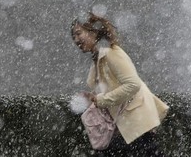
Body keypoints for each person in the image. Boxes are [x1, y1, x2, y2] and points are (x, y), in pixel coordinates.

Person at [72, 13, 170, 155]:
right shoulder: (98, 61)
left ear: (92, 31)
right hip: (124, 131)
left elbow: (132, 84)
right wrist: (92, 97)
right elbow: (111, 89)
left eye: (78, 33)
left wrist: (101, 100)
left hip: (136, 128)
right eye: (73, 36)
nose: (75, 39)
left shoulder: (112, 53)